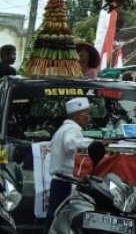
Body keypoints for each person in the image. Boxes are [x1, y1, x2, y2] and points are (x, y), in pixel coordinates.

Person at [44, 97, 93, 232]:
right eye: (85, 113)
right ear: (76, 115)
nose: (88, 117)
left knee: (54, 216)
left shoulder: (62, 129)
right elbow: (71, 143)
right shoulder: (72, 129)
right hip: (65, 182)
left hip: (58, 181)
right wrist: (95, 144)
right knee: (62, 218)